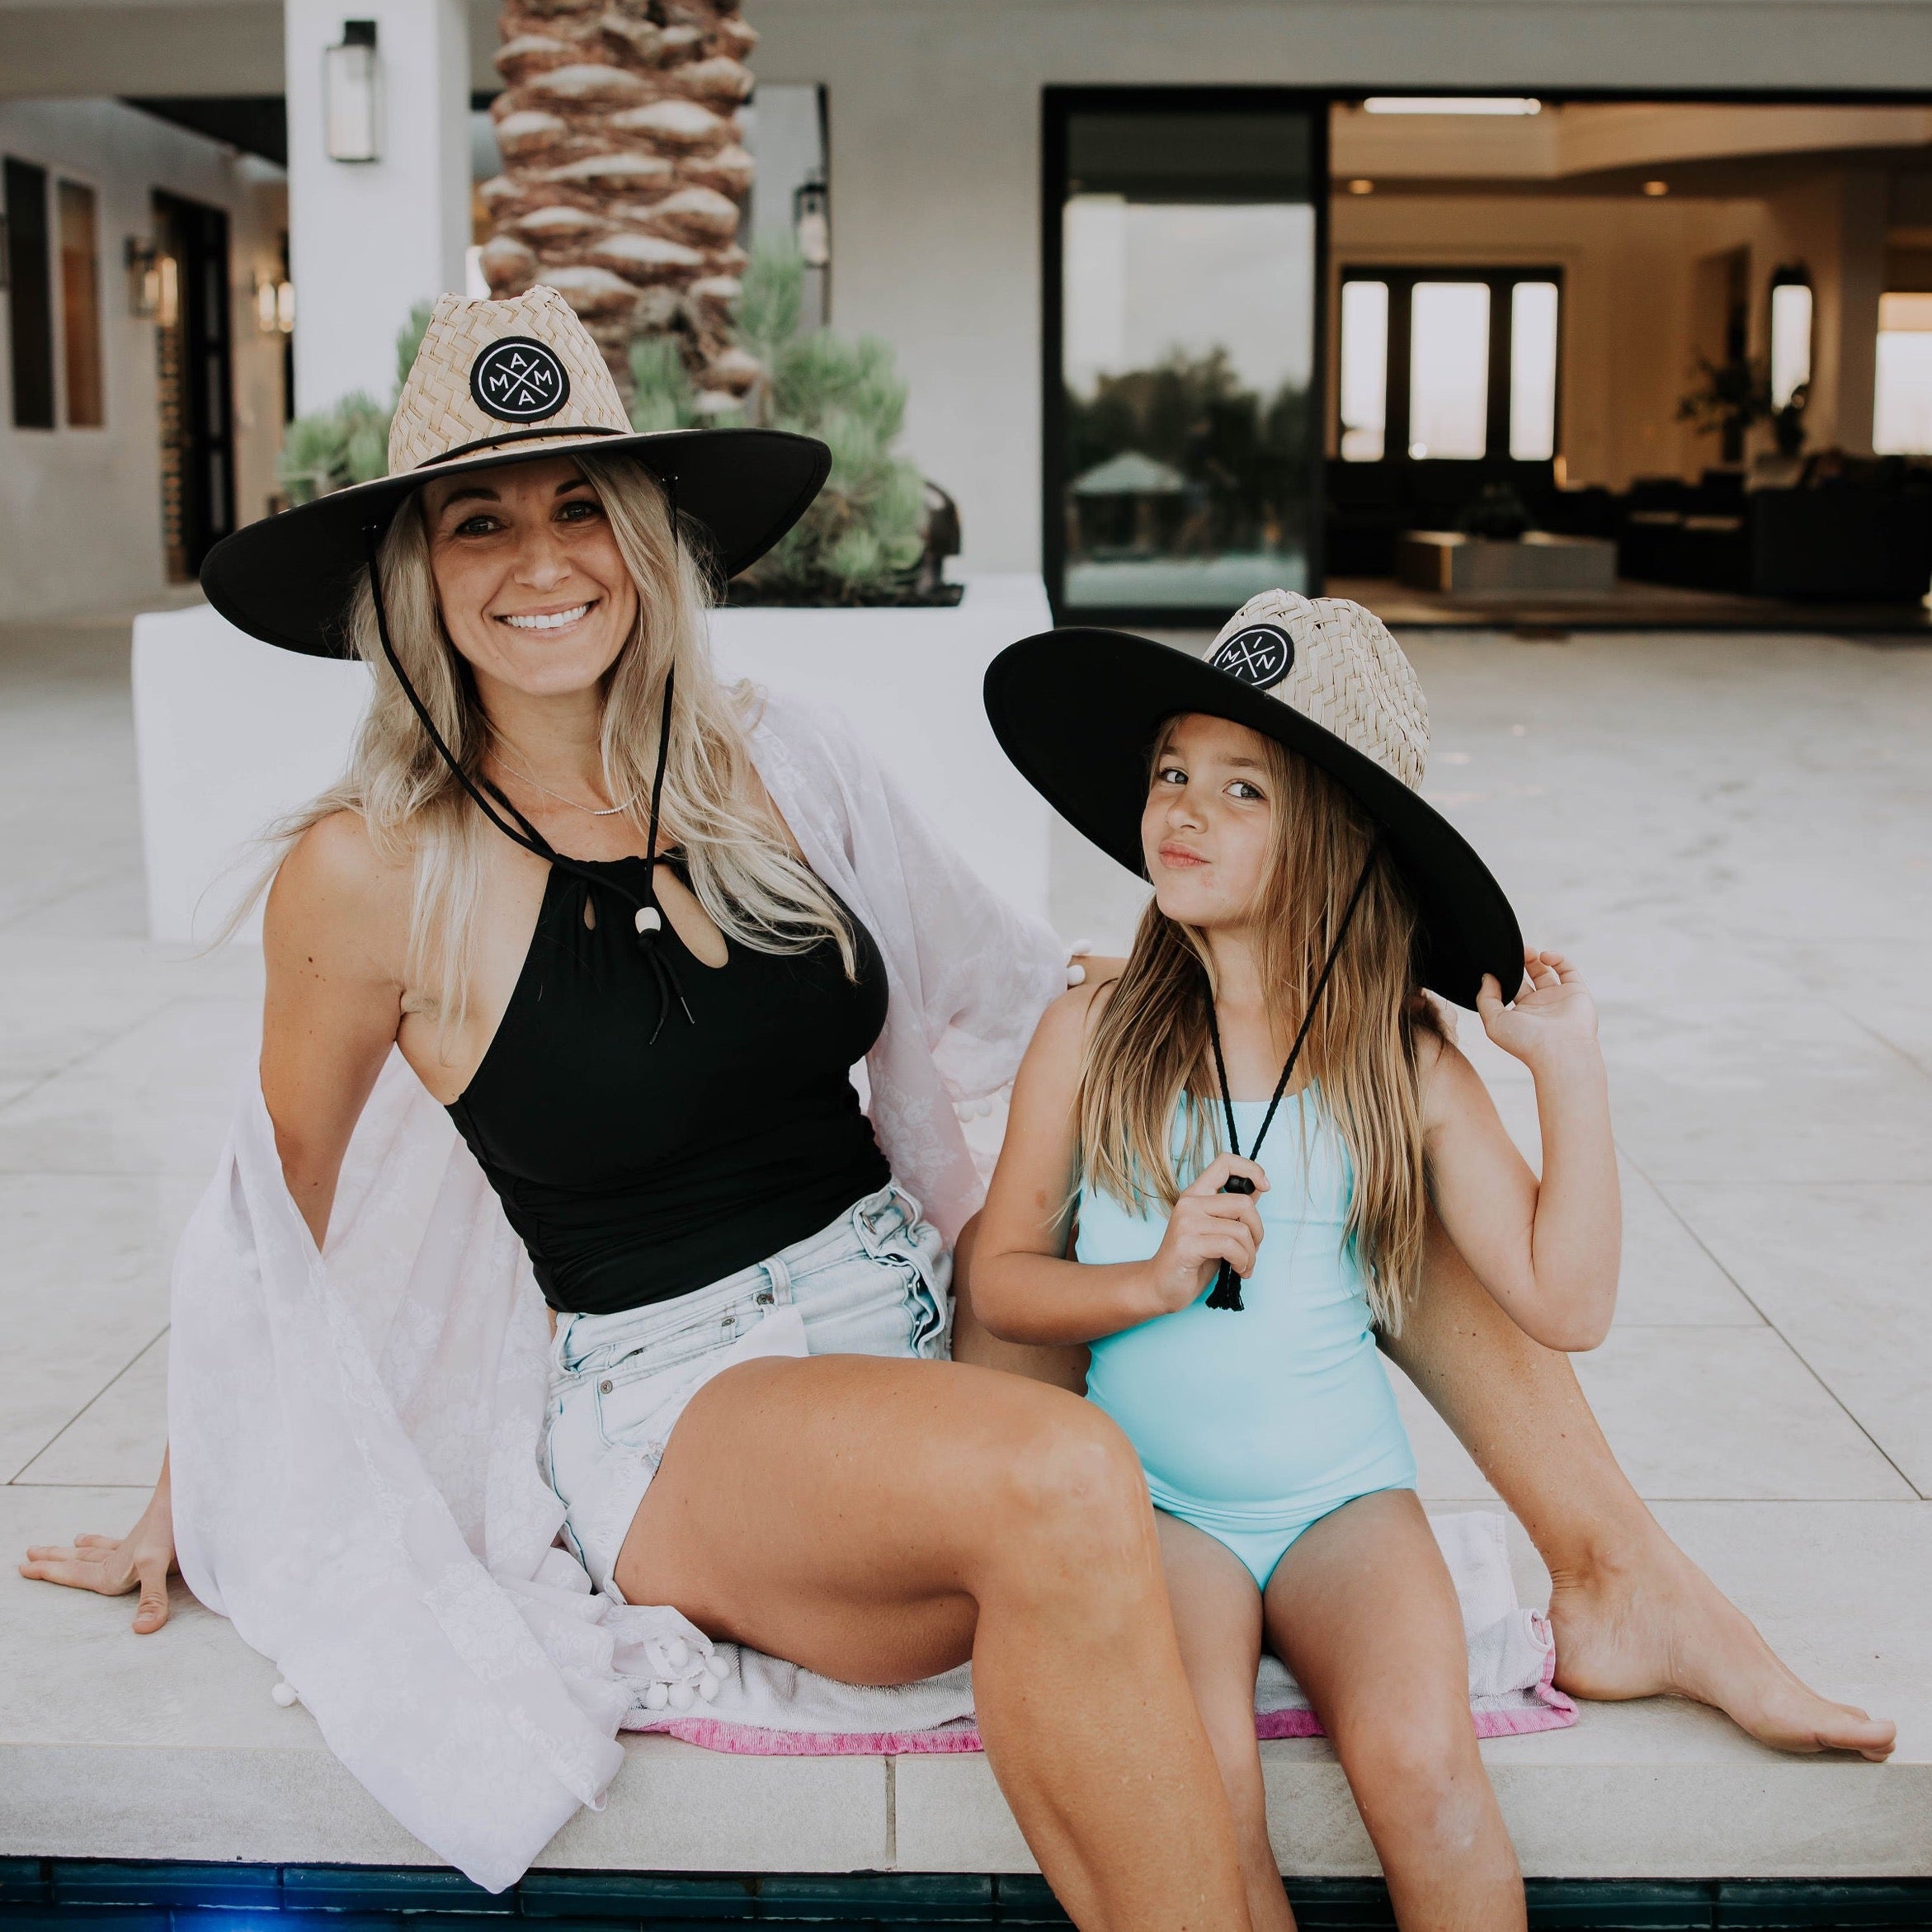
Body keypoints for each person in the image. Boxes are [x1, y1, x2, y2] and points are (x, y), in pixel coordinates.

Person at [21, 294, 1890, 1906]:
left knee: (1310, 1135)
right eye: (474, 519)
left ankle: (1620, 1571)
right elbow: (286, 1195)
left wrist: (1263, 1027)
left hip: (926, 1309)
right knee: (1067, 1472)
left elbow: (996, 988)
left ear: (649, 536)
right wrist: (207, 1479)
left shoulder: (779, 761)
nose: (540, 558)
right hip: (689, 1406)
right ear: (407, 574)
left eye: (582, 502)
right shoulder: (367, 873)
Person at [971, 598, 1622, 1928]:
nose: (1181, 808)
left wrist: (1569, 1069)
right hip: (1159, 1508)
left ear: (1331, 829)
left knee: (1427, 1773)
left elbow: (1571, 1299)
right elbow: (1000, 1279)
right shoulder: (1093, 1032)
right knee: (1205, 1796)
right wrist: (1150, 1278)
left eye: (1239, 785)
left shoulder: (1401, 1058)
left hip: (1341, 1503)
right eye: (1169, 771)